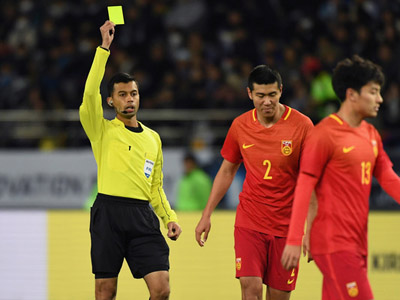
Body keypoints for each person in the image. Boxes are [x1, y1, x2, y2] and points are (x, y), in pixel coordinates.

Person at [281, 55, 400, 300]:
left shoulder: (371, 134)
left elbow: (387, 176)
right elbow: (304, 186)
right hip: (333, 243)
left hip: (357, 243)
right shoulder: (324, 134)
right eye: (373, 92)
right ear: (352, 95)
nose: (380, 99)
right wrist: (294, 239)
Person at [79, 21, 182, 300]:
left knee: (161, 289)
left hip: (141, 216)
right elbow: (89, 94)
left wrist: (168, 218)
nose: (129, 100)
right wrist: (104, 49)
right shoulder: (101, 130)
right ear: (111, 101)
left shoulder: (153, 138)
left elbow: (156, 187)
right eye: (122, 95)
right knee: (105, 292)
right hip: (108, 214)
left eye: (133, 94)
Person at [195, 65, 314, 300]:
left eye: (272, 94)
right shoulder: (240, 126)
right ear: (249, 94)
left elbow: (310, 181)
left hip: (287, 227)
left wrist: (311, 229)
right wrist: (206, 214)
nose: (267, 101)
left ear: (281, 91)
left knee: (278, 296)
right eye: (260, 96)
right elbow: (227, 171)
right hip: (250, 221)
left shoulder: (302, 126)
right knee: (251, 289)